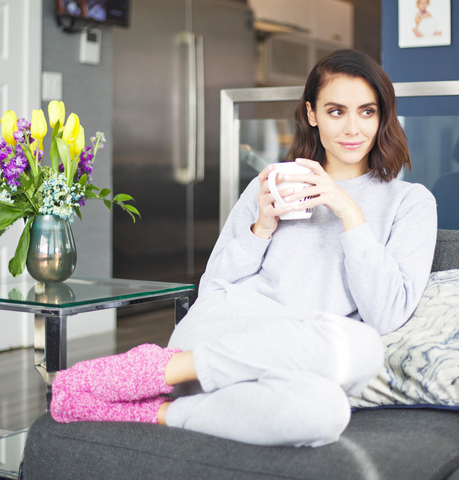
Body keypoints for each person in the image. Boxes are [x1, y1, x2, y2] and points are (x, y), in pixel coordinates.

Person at [51, 49, 437, 448]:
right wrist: (260, 228)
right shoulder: (270, 186)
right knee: (360, 347)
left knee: (330, 405)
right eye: (337, 111)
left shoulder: (410, 202)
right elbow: (213, 287)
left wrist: (349, 213)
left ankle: (150, 409)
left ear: (382, 116)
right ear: (312, 114)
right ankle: (157, 371)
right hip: (224, 329)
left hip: (298, 358)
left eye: (367, 111)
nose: (353, 127)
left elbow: (387, 314)